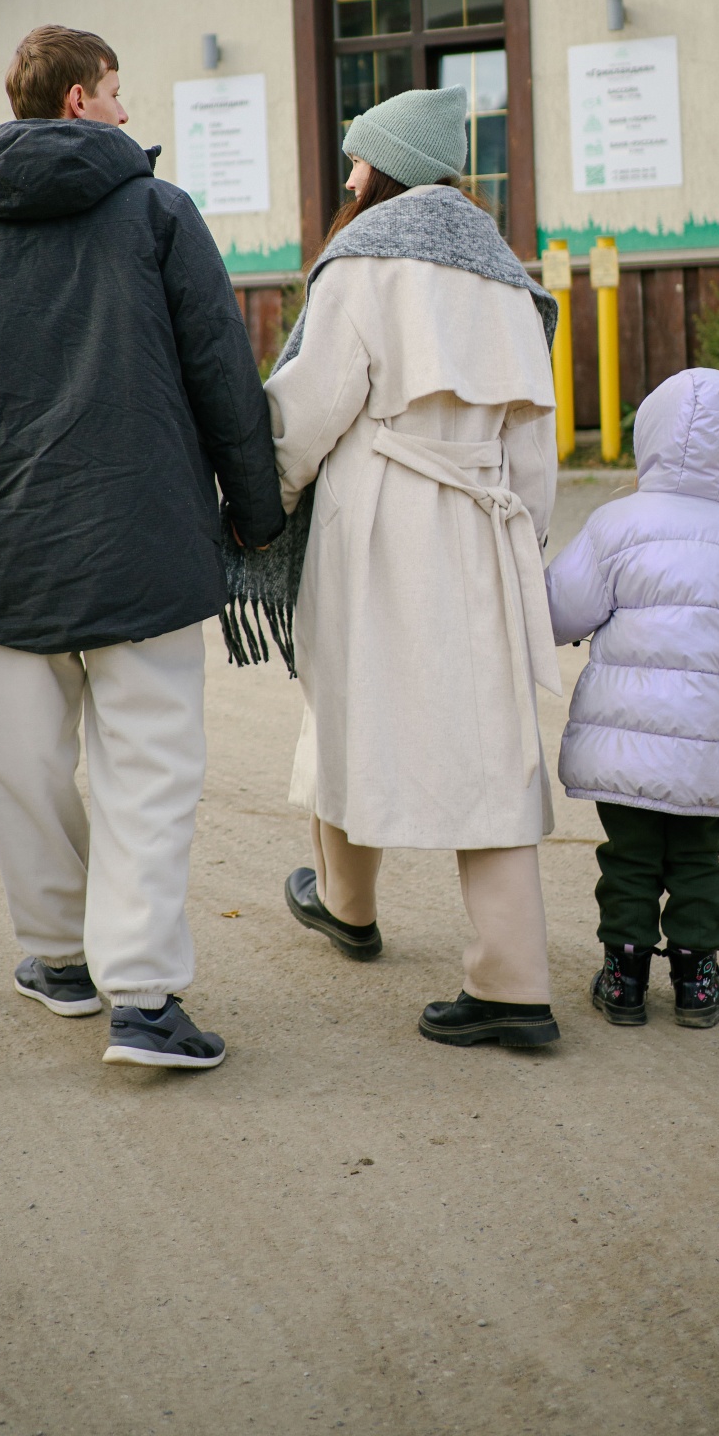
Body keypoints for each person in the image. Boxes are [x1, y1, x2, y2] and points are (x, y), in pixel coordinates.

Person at [0, 25, 283, 1072]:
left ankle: (57, 958)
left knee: (23, 765)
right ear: (79, 102)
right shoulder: (159, 212)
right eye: (116, 89)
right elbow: (221, 369)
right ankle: (145, 999)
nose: (126, 108)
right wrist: (256, 508)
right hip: (147, 540)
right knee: (149, 772)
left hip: (16, 545)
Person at [264, 85, 565, 1050]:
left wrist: (256, 502)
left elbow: (305, 417)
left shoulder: (359, 263)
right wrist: (527, 541)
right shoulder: (509, 276)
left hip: (379, 529)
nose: (348, 176)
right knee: (490, 737)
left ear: (382, 168)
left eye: (356, 159)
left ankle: (348, 906)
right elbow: (534, 447)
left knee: (353, 703)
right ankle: (514, 980)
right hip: (480, 525)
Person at [544, 366, 719, 1028]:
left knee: (628, 858)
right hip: (709, 756)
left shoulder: (616, 525)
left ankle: (623, 975)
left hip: (624, 743)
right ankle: (697, 978)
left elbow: (562, 612)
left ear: (651, 437)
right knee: (699, 859)